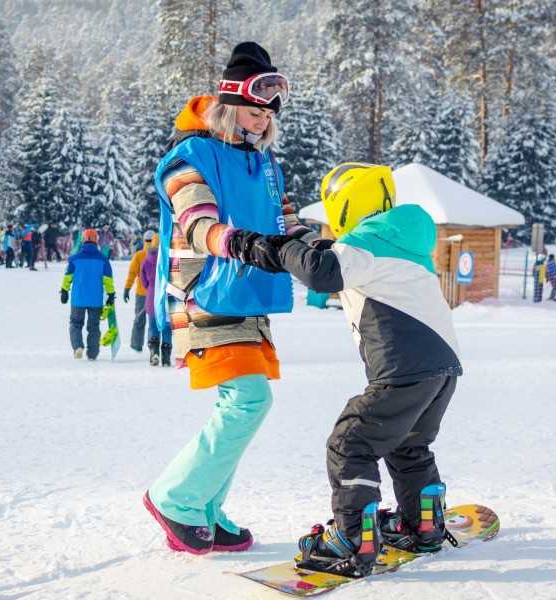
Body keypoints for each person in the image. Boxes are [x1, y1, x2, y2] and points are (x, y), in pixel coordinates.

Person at [229, 163, 463, 576]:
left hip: (402, 371)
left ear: (346, 202)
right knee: (408, 446)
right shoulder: (395, 236)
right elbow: (330, 255)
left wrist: (271, 247)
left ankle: (354, 540)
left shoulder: (367, 241)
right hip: (440, 371)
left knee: (350, 443)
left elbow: (322, 270)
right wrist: (295, 231)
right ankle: (423, 524)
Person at [143, 41, 318, 555]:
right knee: (248, 400)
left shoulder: (265, 165)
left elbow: (286, 221)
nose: (261, 121)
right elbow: (196, 221)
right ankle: (174, 498)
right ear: (227, 104)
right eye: (252, 109)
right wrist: (236, 241)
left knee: (241, 402)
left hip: (248, 294)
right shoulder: (188, 155)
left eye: (268, 113)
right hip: (205, 292)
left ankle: (205, 510)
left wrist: (323, 248)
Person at [60, 228, 115, 360]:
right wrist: (111, 294)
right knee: (94, 327)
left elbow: (68, 277)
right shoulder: (103, 260)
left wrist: (64, 291)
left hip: (78, 298)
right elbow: (108, 280)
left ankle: (78, 347)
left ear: (83, 240)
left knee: (75, 324)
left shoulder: (74, 259)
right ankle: (93, 353)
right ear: (96, 241)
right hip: (95, 299)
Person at [140, 236, 172, 366]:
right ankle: (166, 357)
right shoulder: (170, 260)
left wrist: (151, 287)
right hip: (166, 298)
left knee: (153, 327)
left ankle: (154, 353)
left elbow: (143, 282)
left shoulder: (146, 261)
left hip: (152, 297)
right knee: (166, 328)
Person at [123, 230, 154, 353]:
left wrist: (127, 288)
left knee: (139, 320)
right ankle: (153, 343)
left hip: (141, 293)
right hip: (154, 293)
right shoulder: (161, 255)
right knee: (154, 321)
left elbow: (132, 274)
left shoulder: (139, 255)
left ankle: (136, 344)